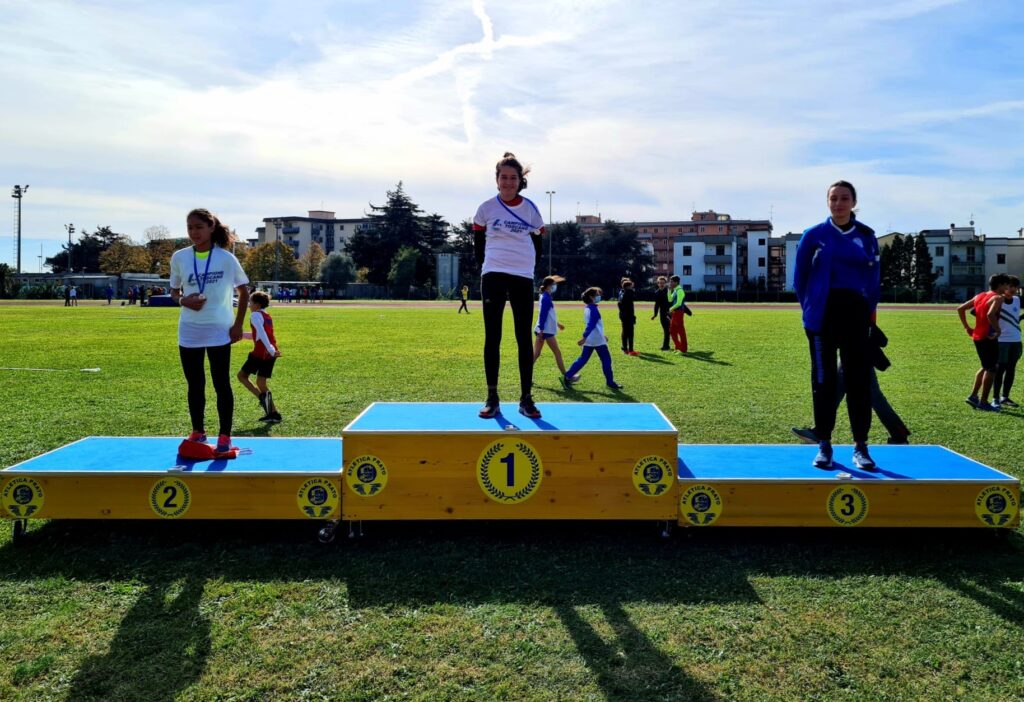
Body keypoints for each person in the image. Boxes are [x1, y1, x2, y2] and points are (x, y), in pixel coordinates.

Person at [794, 180, 880, 471]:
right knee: (823, 382)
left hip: (856, 316)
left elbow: (873, 279)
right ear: (827, 202)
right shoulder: (813, 236)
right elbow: (800, 278)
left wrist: (870, 316)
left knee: (859, 382)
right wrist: (809, 310)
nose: (839, 203)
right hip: (821, 319)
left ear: (854, 202)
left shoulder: (867, 236)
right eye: (833, 198)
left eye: (844, 198)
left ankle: (861, 446)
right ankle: (824, 443)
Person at [170, 208, 250, 453]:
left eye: (199, 227)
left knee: (221, 383)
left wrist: (237, 325)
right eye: (190, 227)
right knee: (195, 384)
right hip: (190, 331)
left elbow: (244, 291)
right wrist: (185, 301)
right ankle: (198, 431)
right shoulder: (180, 257)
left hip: (219, 330)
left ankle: (225, 435)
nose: (194, 232)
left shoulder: (226, 258)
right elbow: (174, 291)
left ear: (211, 227)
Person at [473, 152, 545, 419]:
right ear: (496, 180)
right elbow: (478, 247)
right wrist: (489, 267)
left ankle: (526, 398)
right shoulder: (485, 209)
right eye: (503, 177)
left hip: (522, 277)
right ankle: (492, 397)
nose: (508, 182)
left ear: (520, 181)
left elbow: (538, 242)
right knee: (493, 337)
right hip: (493, 275)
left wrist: (525, 267)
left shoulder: (530, 209)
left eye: (513, 178)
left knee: (522, 338)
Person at [958, 273, 1011, 411]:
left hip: (977, 336)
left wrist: (967, 327)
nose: (1007, 287)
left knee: (985, 366)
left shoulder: (980, 295)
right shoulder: (998, 298)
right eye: (1006, 284)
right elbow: (990, 314)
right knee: (991, 369)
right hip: (988, 337)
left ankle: (974, 396)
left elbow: (961, 308)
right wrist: (998, 330)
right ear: (1000, 285)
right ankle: (984, 402)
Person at [562, 287, 623, 390]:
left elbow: (594, 325)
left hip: (592, 339)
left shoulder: (587, 308)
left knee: (582, 359)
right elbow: (591, 325)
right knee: (606, 360)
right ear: (591, 297)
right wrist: (584, 337)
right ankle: (610, 382)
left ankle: (567, 376)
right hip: (597, 340)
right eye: (597, 294)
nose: (599, 296)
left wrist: (598, 336)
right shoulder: (593, 309)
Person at [237, 291, 282, 423]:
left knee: (242, 376)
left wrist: (270, 349)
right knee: (261, 383)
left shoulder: (255, 315)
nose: (249, 305)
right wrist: (240, 335)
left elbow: (261, 334)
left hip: (262, 351)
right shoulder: (266, 315)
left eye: (250, 302)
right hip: (270, 351)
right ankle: (273, 413)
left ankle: (262, 399)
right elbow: (257, 334)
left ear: (257, 304)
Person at [993, 275, 1022, 408]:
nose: (1013, 289)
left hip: (1016, 340)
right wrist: (993, 328)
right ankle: (995, 398)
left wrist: (1019, 319)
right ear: (1005, 287)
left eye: (1015, 286)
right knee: (1000, 369)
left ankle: (1005, 397)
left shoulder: (1017, 299)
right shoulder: (998, 300)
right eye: (1010, 286)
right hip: (1002, 341)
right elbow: (976, 312)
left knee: (1011, 369)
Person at [533, 275, 568, 377]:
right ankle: (566, 376)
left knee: (536, 354)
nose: (555, 286)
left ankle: (526, 375)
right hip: (545, 331)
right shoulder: (545, 298)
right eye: (554, 284)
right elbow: (542, 314)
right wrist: (541, 330)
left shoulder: (545, 296)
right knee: (557, 352)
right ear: (548, 286)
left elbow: (549, 314)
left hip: (542, 329)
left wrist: (558, 324)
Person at [618, 277, 638, 356]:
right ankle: (631, 350)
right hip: (628, 316)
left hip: (623, 315)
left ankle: (625, 348)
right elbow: (634, 297)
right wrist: (632, 317)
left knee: (624, 332)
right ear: (628, 286)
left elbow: (619, 304)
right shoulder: (629, 293)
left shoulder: (622, 293)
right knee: (630, 333)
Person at [667, 275, 687, 353]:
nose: (670, 283)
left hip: (679, 312)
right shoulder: (675, 290)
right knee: (672, 330)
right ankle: (678, 347)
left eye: (671, 281)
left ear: (676, 282)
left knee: (681, 331)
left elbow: (679, 303)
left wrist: (670, 309)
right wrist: (669, 290)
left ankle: (683, 349)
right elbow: (670, 299)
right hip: (675, 312)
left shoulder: (680, 291)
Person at [652, 276, 672, 350]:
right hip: (662, 313)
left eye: (663, 283)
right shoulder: (656, 292)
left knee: (670, 330)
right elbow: (656, 304)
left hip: (670, 313)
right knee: (666, 330)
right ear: (658, 283)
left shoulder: (669, 291)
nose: (661, 284)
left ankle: (666, 346)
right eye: (660, 283)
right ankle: (666, 345)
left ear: (665, 283)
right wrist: (655, 314)